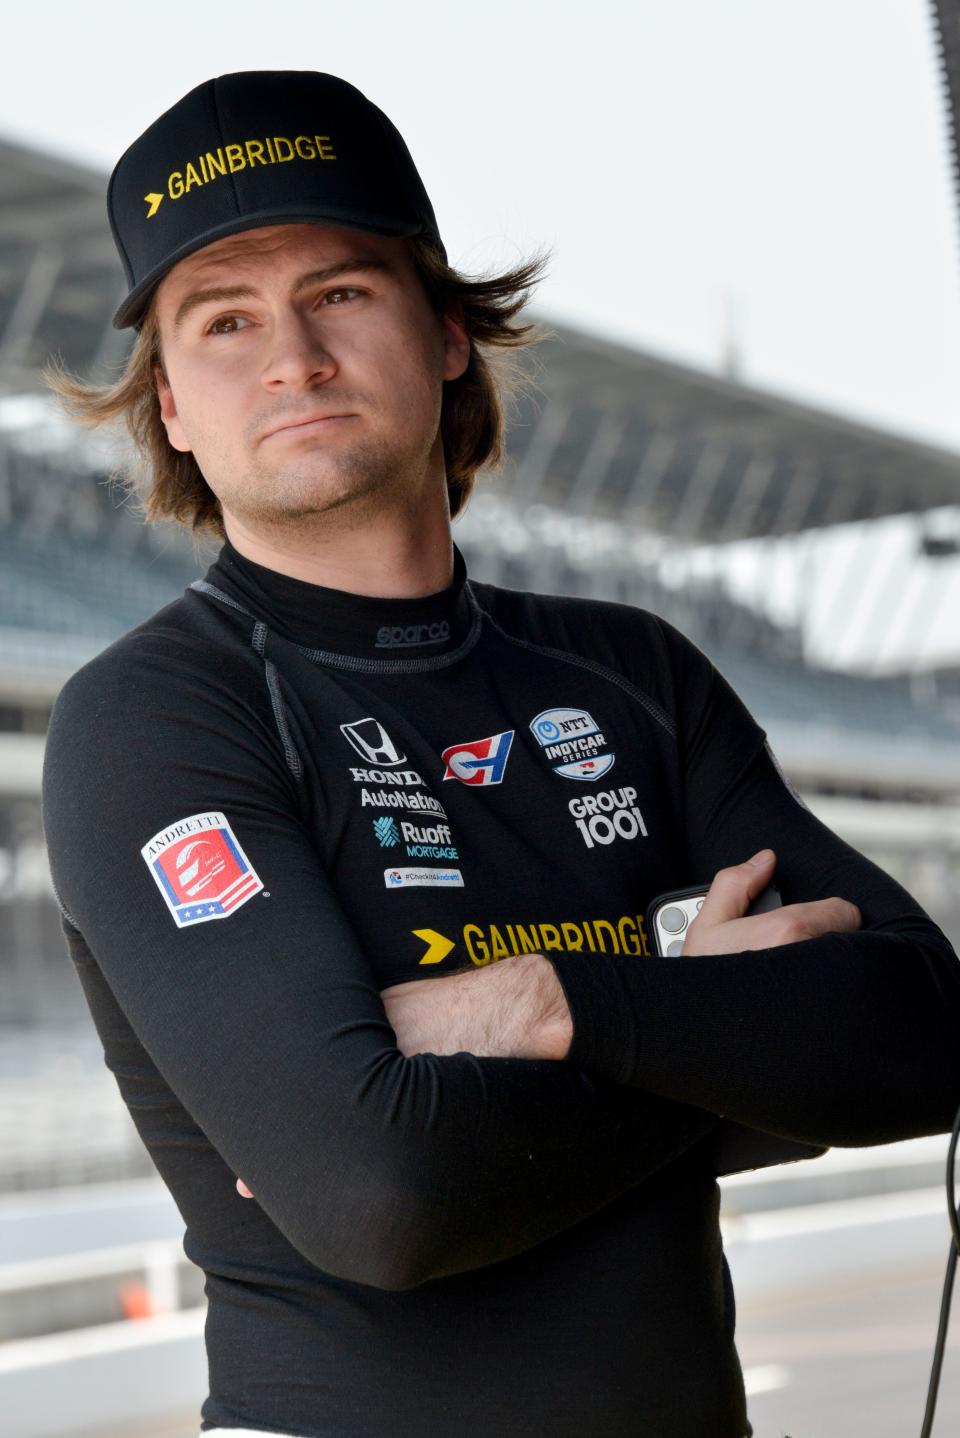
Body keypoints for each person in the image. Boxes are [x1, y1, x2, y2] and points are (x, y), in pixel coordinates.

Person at [41, 69, 960, 1438]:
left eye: (341, 293)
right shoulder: (156, 714)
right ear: (170, 405)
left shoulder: (633, 672)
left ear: (452, 333)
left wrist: (536, 1005)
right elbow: (378, 1193)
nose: (291, 355)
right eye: (225, 321)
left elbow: (920, 1033)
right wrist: (710, 1034)